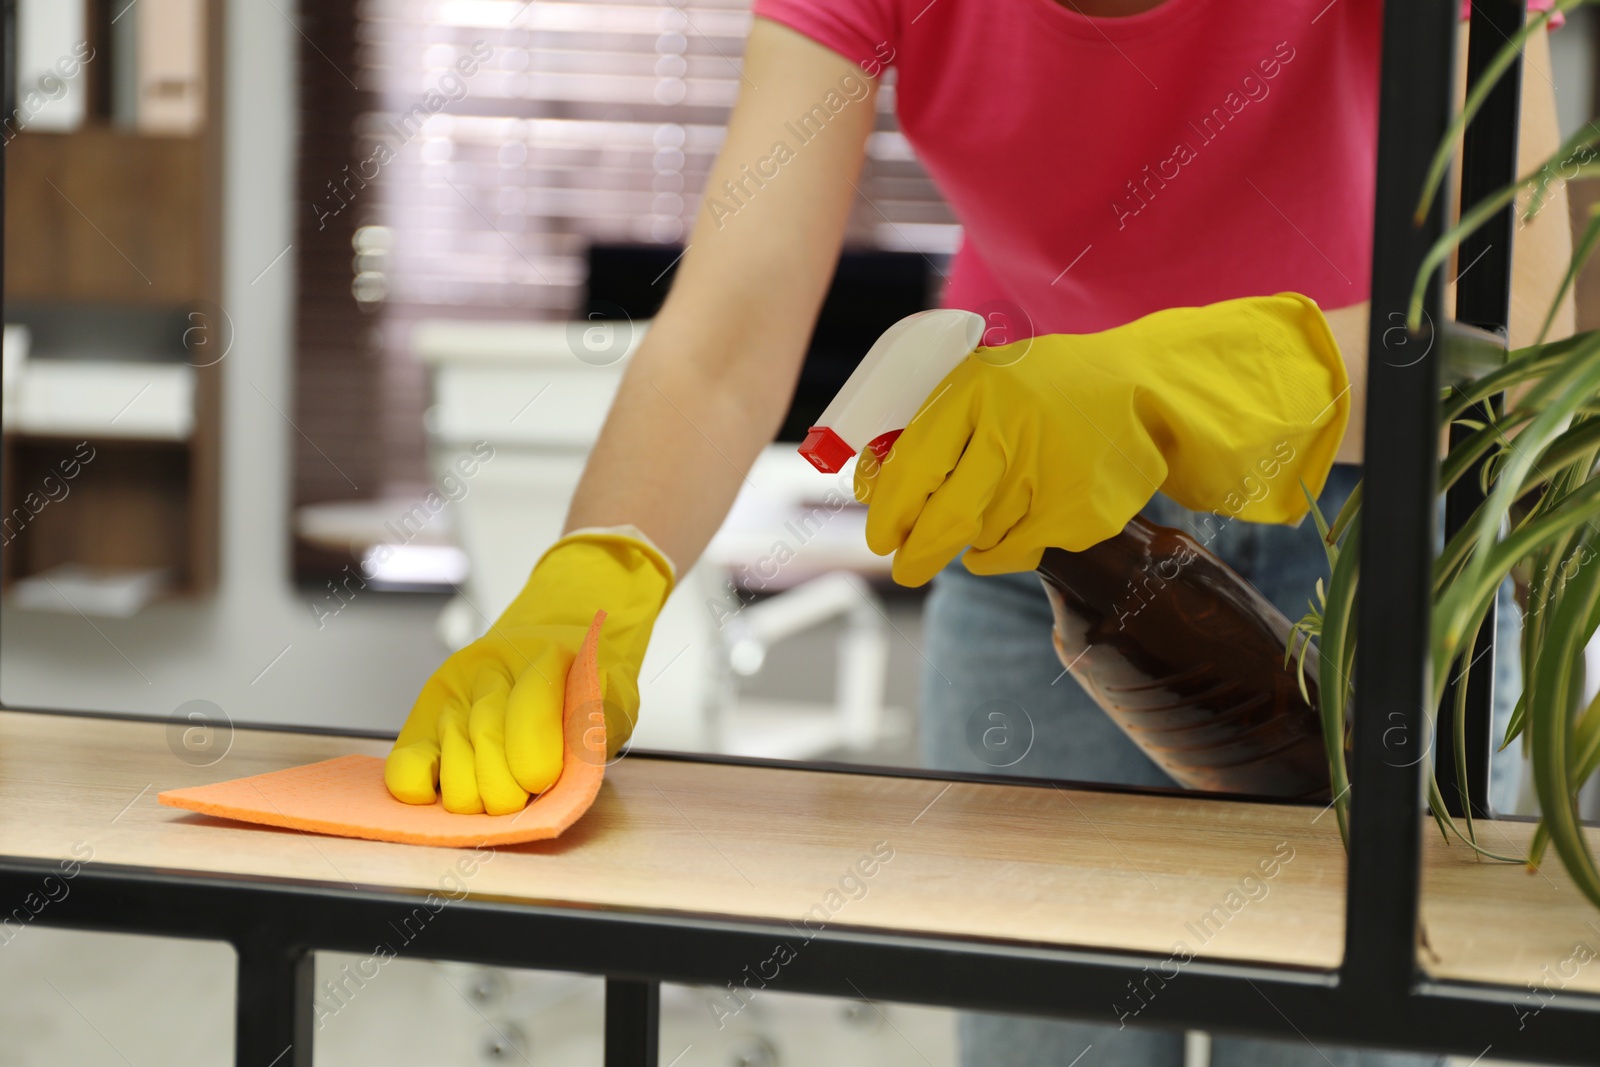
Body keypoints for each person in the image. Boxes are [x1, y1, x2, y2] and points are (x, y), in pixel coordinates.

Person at [385, 1, 1576, 1063]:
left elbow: (1525, 317)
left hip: (1379, 543)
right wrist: (600, 565)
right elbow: (727, 328)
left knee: (1344, 1035)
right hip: (1042, 547)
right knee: (1044, 1030)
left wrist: (1190, 385)